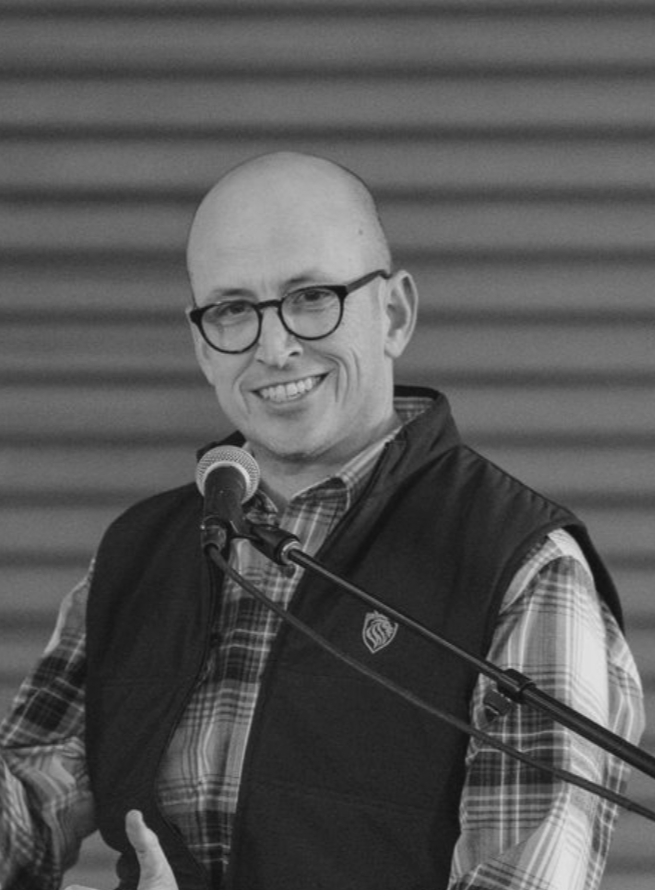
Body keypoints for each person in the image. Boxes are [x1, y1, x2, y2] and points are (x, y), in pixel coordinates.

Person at [0, 151, 646, 890]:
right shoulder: (140, 553)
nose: (274, 349)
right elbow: (26, 806)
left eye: (311, 297)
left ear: (394, 314)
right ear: (201, 344)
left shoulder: (519, 567)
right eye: (233, 310)